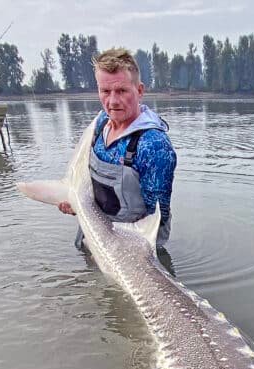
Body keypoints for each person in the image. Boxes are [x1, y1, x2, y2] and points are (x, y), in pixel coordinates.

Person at [59, 47, 176, 249]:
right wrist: (78, 204)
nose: (112, 102)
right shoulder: (101, 122)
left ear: (139, 91)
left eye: (121, 91)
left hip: (133, 249)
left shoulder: (154, 146)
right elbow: (85, 178)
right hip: (93, 231)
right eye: (105, 91)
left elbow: (157, 219)